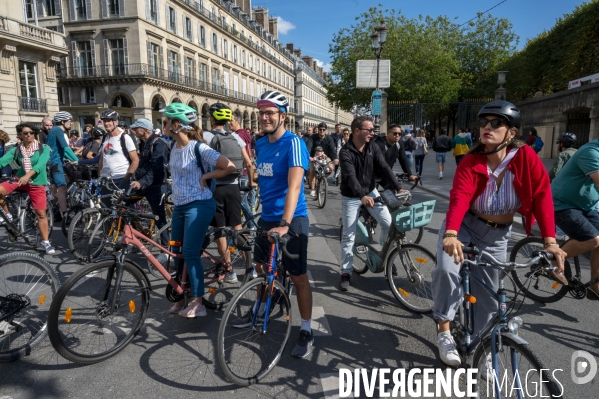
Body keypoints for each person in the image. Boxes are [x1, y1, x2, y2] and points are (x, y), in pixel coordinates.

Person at [432, 100, 565, 366]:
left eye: (496, 123)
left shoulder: (526, 157)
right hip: (466, 227)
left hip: (498, 235)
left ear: (512, 133)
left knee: (491, 298)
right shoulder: (471, 160)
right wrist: (451, 233)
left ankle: (484, 350)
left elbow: (541, 195)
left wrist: (550, 240)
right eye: (483, 123)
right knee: (447, 270)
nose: (487, 128)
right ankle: (444, 330)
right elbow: (459, 197)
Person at [254, 90, 314, 358]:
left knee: (299, 277)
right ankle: (263, 303)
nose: (264, 117)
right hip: (267, 216)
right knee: (261, 268)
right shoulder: (260, 144)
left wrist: (286, 223)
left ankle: (307, 329)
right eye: (261, 113)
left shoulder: (294, 143)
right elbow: (263, 179)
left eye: (270, 113)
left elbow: (294, 186)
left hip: (292, 219)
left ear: (283, 116)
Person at [163, 103, 236, 318]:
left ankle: (198, 301)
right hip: (180, 206)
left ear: (176, 125)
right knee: (177, 254)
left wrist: (206, 176)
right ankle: (184, 296)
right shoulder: (172, 147)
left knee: (190, 253)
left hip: (200, 204)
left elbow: (229, 166)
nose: (164, 125)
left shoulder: (199, 148)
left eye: (166, 122)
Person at [339, 116, 403, 292]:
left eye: (373, 130)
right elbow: (350, 177)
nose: (372, 133)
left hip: (371, 192)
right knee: (349, 236)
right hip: (352, 196)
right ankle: (345, 272)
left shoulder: (372, 146)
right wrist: (361, 196)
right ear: (357, 131)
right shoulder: (345, 152)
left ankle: (385, 259)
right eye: (369, 130)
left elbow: (384, 167)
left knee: (389, 224)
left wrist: (398, 187)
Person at [203, 103, 254, 283]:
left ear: (212, 119)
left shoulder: (206, 136)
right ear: (227, 121)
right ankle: (250, 266)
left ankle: (229, 269)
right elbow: (248, 163)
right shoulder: (235, 137)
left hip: (216, 187)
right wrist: (251, 181)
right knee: (237, 227)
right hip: (234, 187)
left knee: (219, 230)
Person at [551, 135, 599, 300]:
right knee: (593, 240)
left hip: (586, 206)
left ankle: (595, 287)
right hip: (562, 205)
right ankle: (552, 261)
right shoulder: (592, 152)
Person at [0, 123, 55, 254]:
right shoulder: (17, 150)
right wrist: (23, 177)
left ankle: (45, 242)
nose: (29, 135)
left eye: (31, 132)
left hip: (36, 183)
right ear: (20, 136)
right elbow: (2, 161)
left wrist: (27, 176)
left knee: (41, 214)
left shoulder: (44, 148)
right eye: (25, 133)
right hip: (20, 180)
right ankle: (7, 214)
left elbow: (40, 165)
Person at [129, 118, 168, 235]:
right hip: (144, 184)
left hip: (156, 186)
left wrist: (141, 182)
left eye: (136, 128)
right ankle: (137, 235)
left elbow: (156, 169)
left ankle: (167, 249)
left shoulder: (158, 143)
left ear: (145, 130)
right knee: (125, 204)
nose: (133, 130)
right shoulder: (143, 143)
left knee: (159, 219)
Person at [98, 109, 139, 198]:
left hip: (120, 178)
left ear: (116, 122)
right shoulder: (104, 138)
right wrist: (100, 175)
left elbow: (135, 160)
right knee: (106, 209)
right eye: (104, 121)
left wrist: (126, 178)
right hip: (105, 180)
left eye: (109, 120)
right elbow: (102, 158)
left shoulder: (125, 137)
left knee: (123, 209)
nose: (106, 123)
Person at [47, 111, 79, 221]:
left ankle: (53, 210)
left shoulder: (54, 130)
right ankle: (65, 215)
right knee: (62, 188)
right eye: (69, 121)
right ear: (62, 121)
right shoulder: (58, 130)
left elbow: (63, 151)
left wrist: (72, 159)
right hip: (56, 163)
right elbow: (66, 148)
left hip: (54, 162)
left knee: (55, 189)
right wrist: (78, 161)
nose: (71, 123)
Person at [372, 124, 416, 190]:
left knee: (393, 194)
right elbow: (382, 164)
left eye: (399, 134)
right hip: (373, 176)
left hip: (386, 175)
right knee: (372, 197)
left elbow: (403, 159)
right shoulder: (380, 144)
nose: (397, 135)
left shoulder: (399, 143)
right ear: (388, 133)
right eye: (395, 133)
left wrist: (409, 175)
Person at [229, 110, 256, 212]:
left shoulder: (238, 135)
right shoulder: (244, 133)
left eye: (230, 120)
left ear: (238, 121)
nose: (228, 123)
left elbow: (246, 156)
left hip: (242, 170)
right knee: (242, 201)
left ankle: (251, 225)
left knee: (242, 202)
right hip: (245, 170)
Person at [308, 122, 338, 198]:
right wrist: (309, 156)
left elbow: (332, 149)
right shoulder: (313, 137)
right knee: (312, 171)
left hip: (325, 157)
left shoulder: (329, 138)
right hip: (314, 157)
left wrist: (335, 158)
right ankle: (313, 190)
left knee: (331, 168)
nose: (322, 131)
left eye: (323, 129)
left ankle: (322, 178)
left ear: (326, 130)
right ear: (318, 130)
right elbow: (309, 147)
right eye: (320, 129)